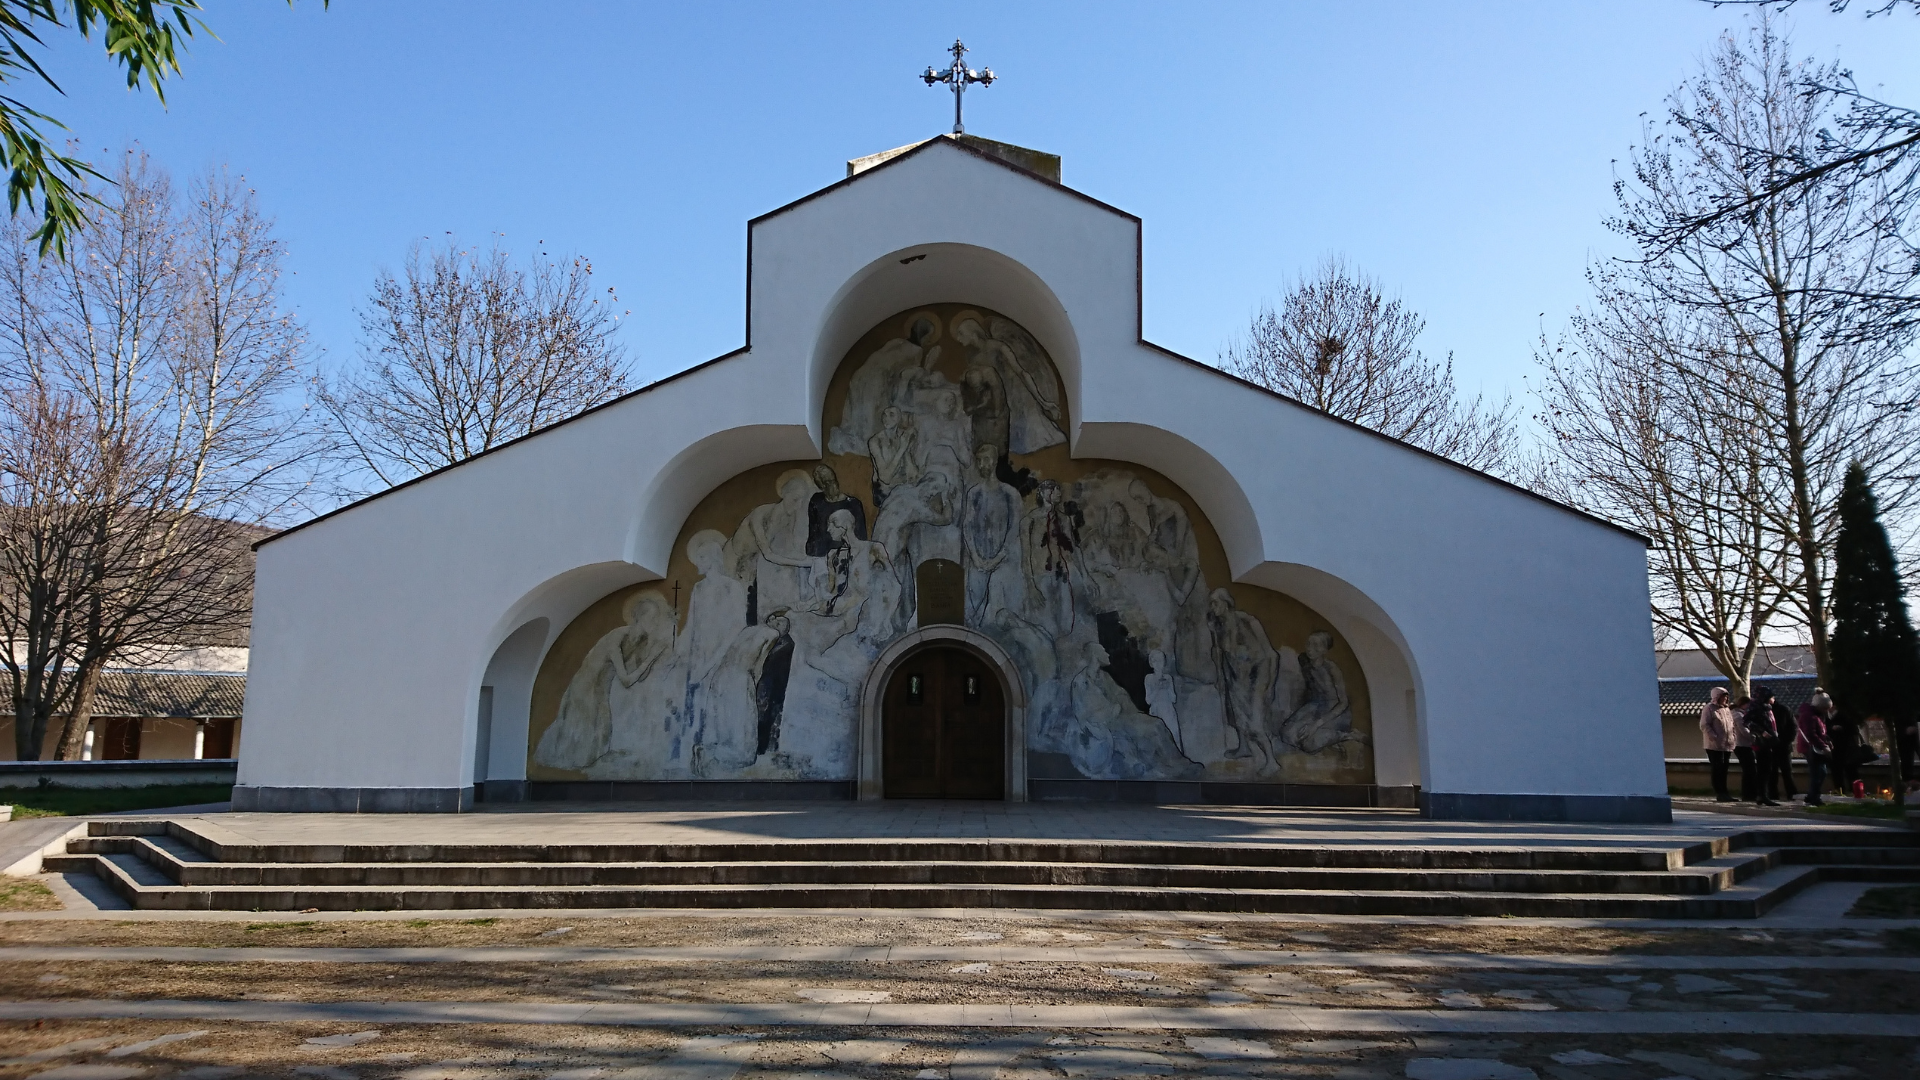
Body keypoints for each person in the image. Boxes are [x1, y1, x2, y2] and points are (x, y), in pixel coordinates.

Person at [1795, 690, 1834, 807]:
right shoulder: (1809, 716)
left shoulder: (1818, 715)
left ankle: (1811, 796)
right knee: (1818, 772)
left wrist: (1827, 740)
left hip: (1816, 745)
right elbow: (1811, 734)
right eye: (1825, 708)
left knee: (1819, 772)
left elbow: (1821, 731)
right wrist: (1823, 746)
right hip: (1810, 747)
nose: (1826, 711)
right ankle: (1814, 797)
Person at [1699, 687, 1738, 803]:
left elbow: (1732, 725)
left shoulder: (1727, 710)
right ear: (1717, 697)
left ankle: (1725, 792)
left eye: (1726, 696)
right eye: (1723, 696)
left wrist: (1733, 737)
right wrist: (1714, 737)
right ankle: (1720, 793)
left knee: (1724, 769)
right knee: (1718, 769)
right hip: (1714, 746)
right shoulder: (1709, 708)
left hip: (1727, 745)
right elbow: (1704, 725)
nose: (1726, 698)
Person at [1741, 690, 1777, 806]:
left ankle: (1763, 794)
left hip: (1770, 741)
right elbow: (1746, 722)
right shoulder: (1756, 708)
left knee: (1767, 769)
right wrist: (1762, 732)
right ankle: (1762, 795)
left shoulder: (1767, 709)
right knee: (1763, 769)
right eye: (1771, 697)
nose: (1773, 699)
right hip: (1761, 742)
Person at [1764, 689, 1798, 804]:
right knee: (1772, 773)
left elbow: (1793, 727)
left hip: (1783, 746)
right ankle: (1773, 795)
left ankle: (1792, 793)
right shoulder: (1763, 711)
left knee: (1787, 772)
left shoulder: (1784, 709)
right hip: (1770, 746)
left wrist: (1787, 741)